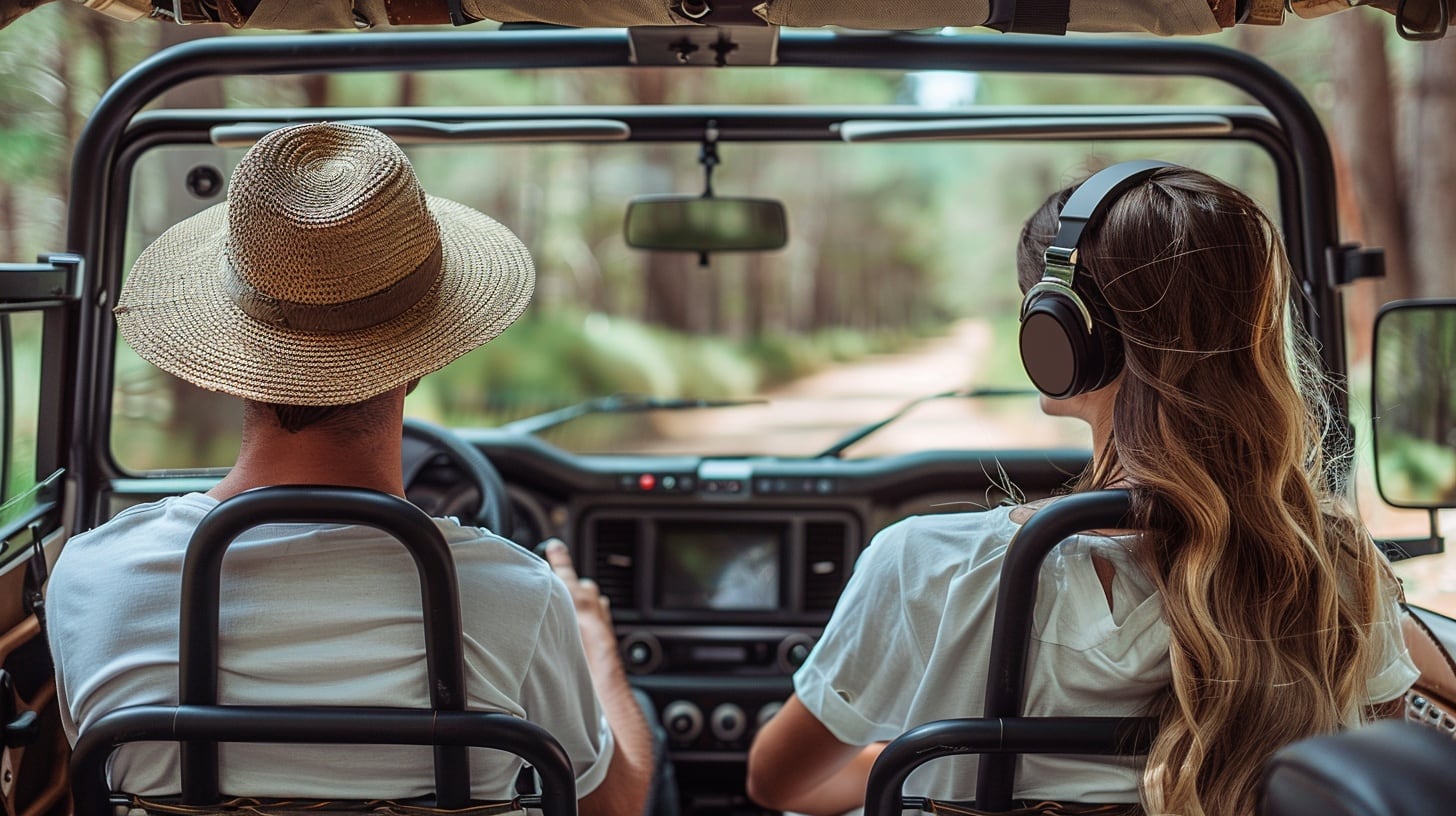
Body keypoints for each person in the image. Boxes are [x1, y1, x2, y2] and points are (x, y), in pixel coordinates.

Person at [746, 164, 1418, 816]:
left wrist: (913, 756)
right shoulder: (1332, 565)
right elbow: (1367, 769)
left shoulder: (931, 565)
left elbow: (776, 783)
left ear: (1060, 335)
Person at [45, 123, 652, 816]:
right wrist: (595, 647)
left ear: (232, 359)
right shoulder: (517, 596)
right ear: (424, 356)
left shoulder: (93, 580)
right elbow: (615, 805)